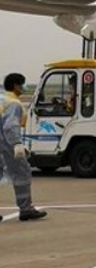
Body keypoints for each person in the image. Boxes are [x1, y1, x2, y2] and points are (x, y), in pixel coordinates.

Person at [1, 73, 46, 222]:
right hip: (5, 144)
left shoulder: (2, 99)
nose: (24, 87)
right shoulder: (14, 104)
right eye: (23, 84)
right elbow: (10, 126)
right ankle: (26, 209)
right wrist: (17, 144)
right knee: (22, 173)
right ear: (16, 85)